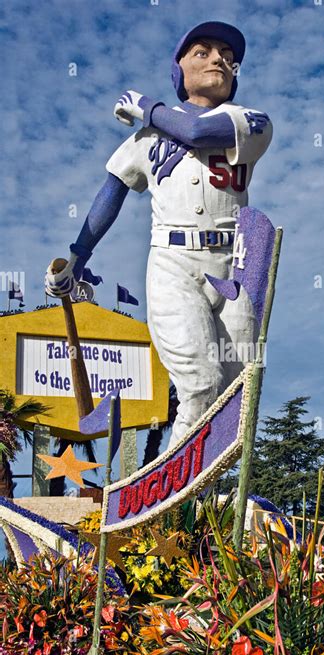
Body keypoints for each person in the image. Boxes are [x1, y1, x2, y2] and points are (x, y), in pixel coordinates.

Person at [45, 21, 272, 449]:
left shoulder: (251, 121)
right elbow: (110, 193)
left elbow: (197, 132)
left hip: (236, 270)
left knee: (237, 397)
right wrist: (78, 258)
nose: (218, 58)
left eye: (226, 54)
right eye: (201, 52)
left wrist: (145, 105)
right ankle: (172, 507)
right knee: (201, 383)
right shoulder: (147, 138)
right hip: (174, 265)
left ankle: (213, 504)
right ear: (179, 69)